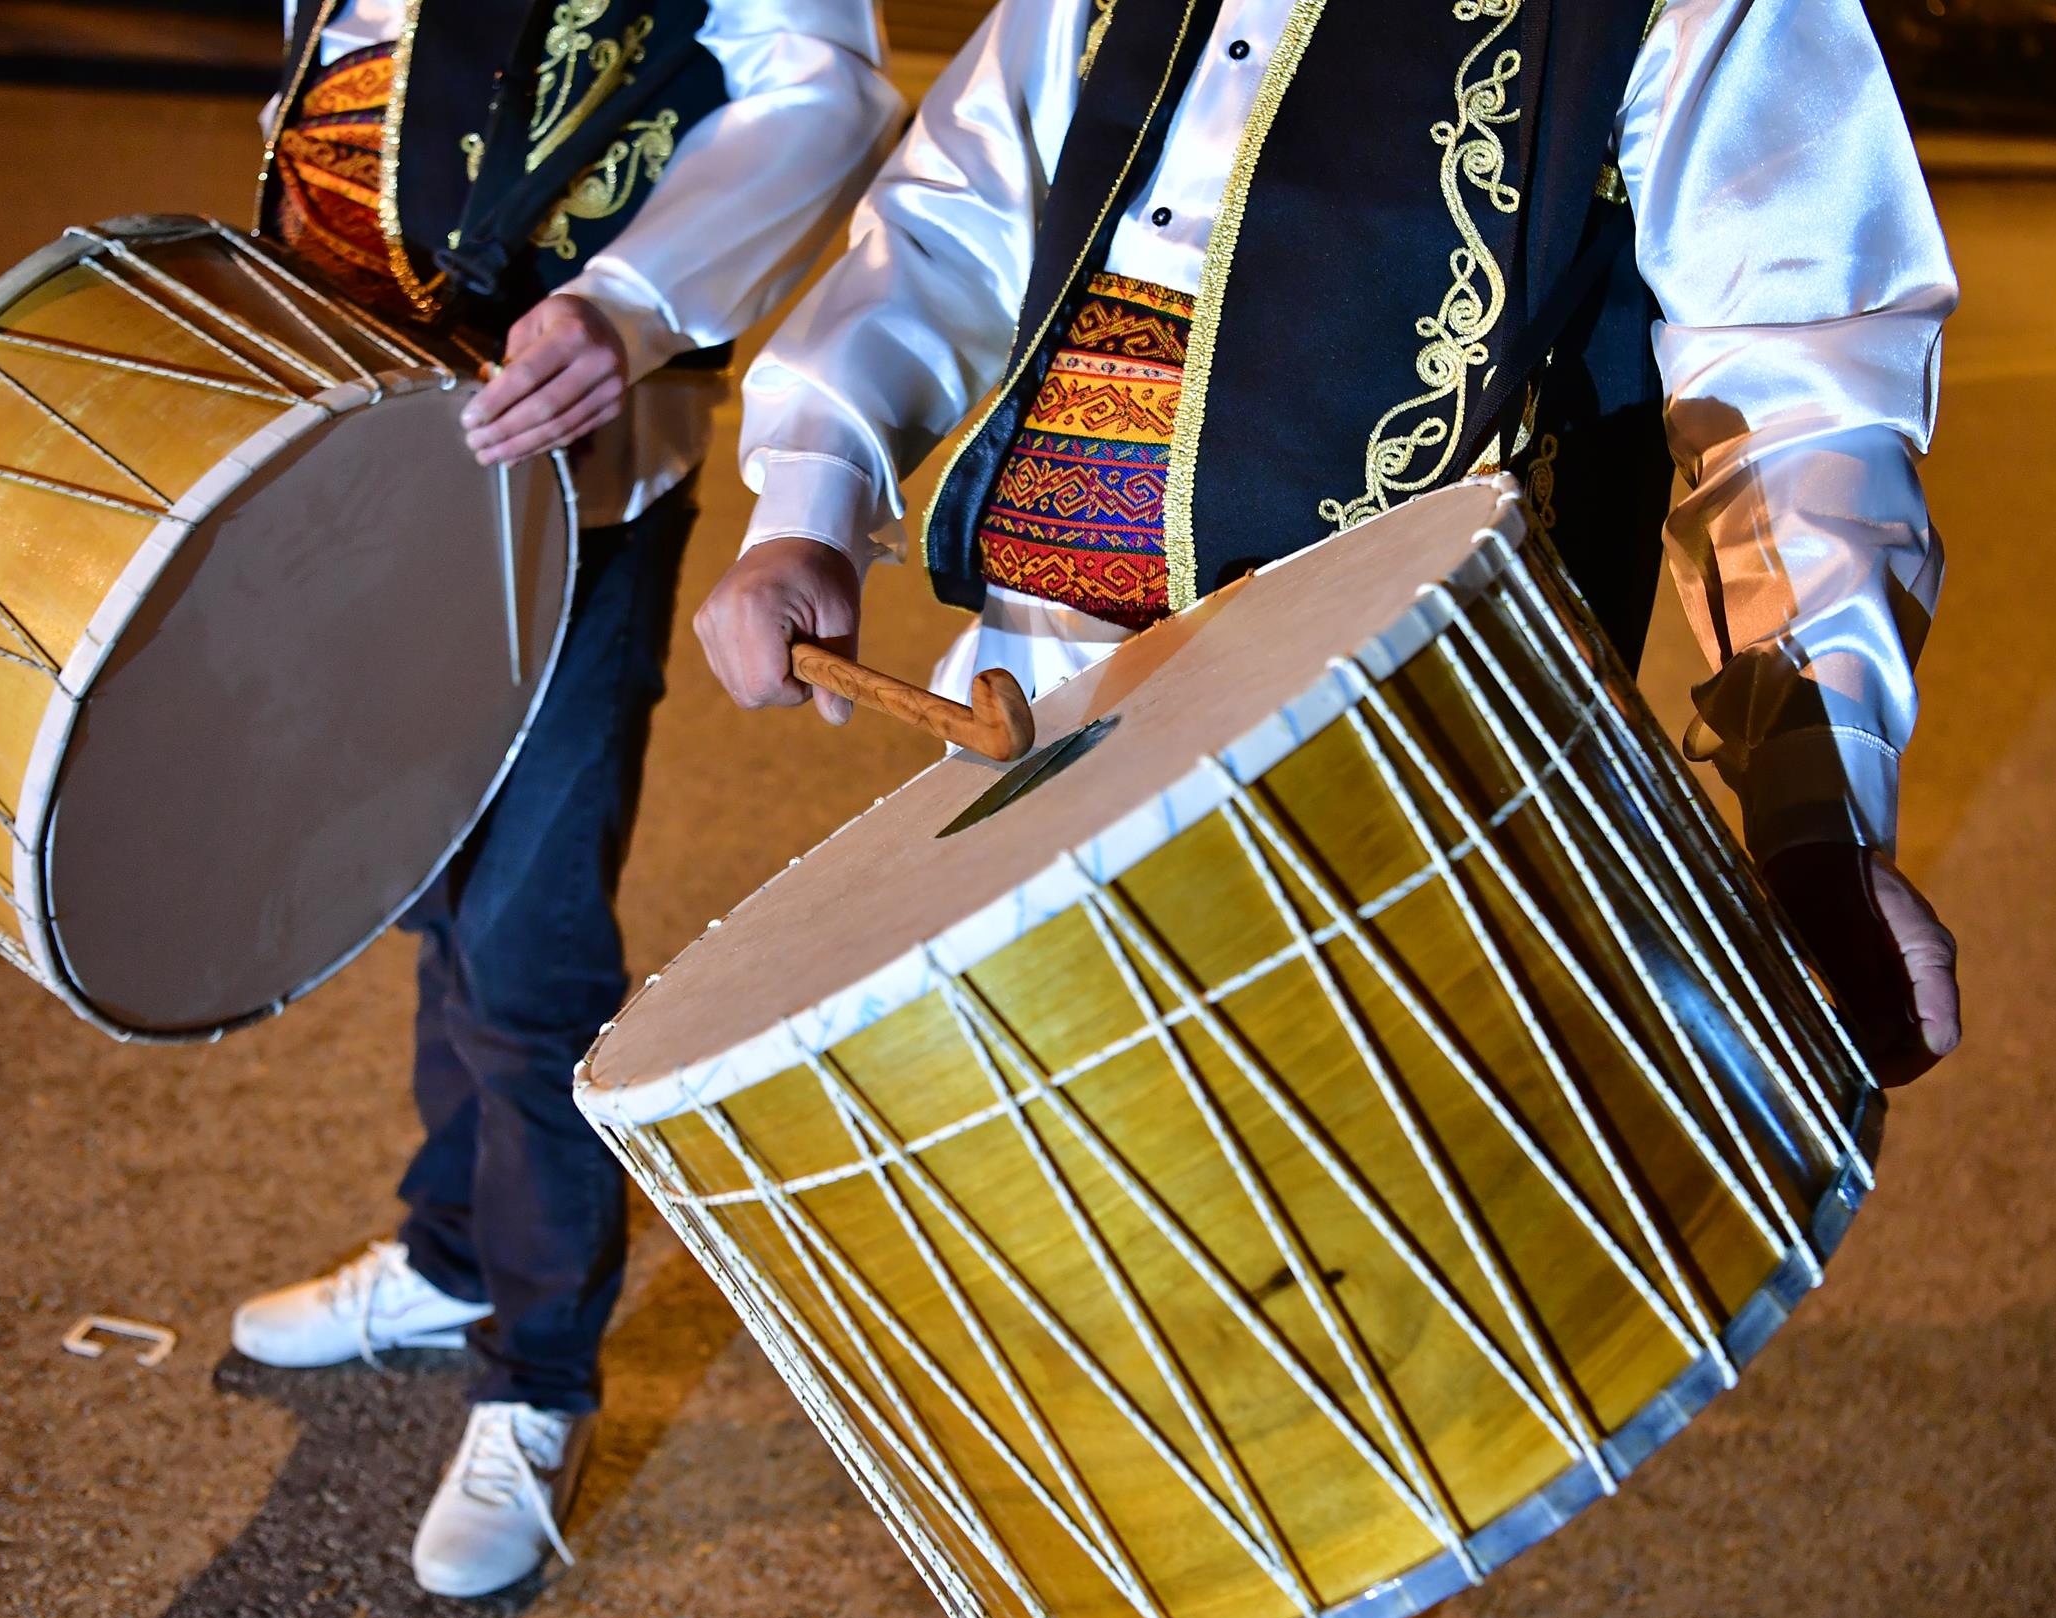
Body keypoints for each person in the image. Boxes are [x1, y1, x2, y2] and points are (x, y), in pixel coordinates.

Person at [695, 0, 1963, 1086]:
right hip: (1033, 696)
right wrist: (811, 491)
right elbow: (959, 215)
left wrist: (1817, 795)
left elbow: (1793, 386)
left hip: (1403, 756)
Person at [227, 0, 903, 1599]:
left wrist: (631, 300)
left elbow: (822, 84)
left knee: (530, 941)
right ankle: (457, 1252)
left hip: (575, 475)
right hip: (370, 457)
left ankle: (538, 1373)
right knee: (431, 885)